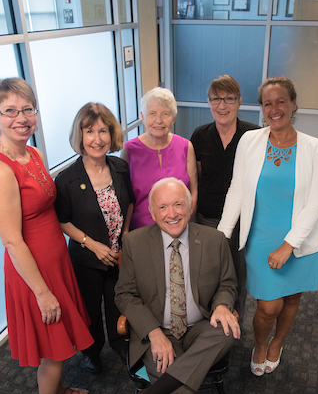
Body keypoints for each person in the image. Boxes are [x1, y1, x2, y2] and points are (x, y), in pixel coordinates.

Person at [115, 177, 240, 394]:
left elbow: (228, 284)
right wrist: (154, 332)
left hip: (201, 327)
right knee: (183, 393)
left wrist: (222, 304)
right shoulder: (135, 243)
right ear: (152, 212)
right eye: (163, 207)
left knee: (228, 329)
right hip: (160, 330)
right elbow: (124, 295)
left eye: (178, 204)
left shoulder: (214, 240)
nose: (172, 213)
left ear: (190, 206)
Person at [0, 78, 94, 394]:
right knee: (53, 345)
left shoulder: (33, 153)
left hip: (54, 261)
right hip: (33, 274)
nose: (21, 118)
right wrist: (42, 292)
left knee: (56, 342)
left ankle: (55, 388)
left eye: (27, 109)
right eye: (10, 110)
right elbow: (12, 241)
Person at [218, 76, 318, 376]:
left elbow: (316, 203)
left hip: (301, 240)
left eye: (281, 101)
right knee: (268, 306)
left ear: (293, 104)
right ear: (262, 108)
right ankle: (259, 343)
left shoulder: (314, 147)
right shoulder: (250, 141)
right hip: (261, 238)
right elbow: (237, 190)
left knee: (292, 297)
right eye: (268, 103)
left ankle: (277, 342)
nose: (275, 108)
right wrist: (221, 235)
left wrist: (289, 245)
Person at [54, 103, 135, 374]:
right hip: (86, 258)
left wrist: (124, 236)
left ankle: (121, 346)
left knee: (117, 303)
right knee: (89, 309)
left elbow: (131, 203)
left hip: (118, 256)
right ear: (80, 136)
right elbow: (63, 220)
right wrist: (93, 245)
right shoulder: (66, 179)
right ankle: (92, 352)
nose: (97, 139)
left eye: (103, 131)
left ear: (112, 135)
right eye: (89, 131)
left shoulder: (121, 167)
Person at [191, 75, 260, 322]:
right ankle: (208, 319)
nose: (222, 105)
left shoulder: (254, 135)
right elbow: (195, 177)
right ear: (208, 102)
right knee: (208, 272)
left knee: (238, 273)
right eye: (216, 99)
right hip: (208, 217)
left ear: (239, 102)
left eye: (229, 98)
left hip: (242, 219)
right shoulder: (200, 135)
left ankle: (235, 318)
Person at [121, 87, 198, 229]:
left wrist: (186, 223)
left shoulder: (186, 146)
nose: (158, 120)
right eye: (152, 113)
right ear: (143, 117)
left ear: (173, 118)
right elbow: (124, 197)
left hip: (179, 228)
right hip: (141, 231)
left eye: (165, 114)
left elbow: (193, 190)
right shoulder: (129, 150)